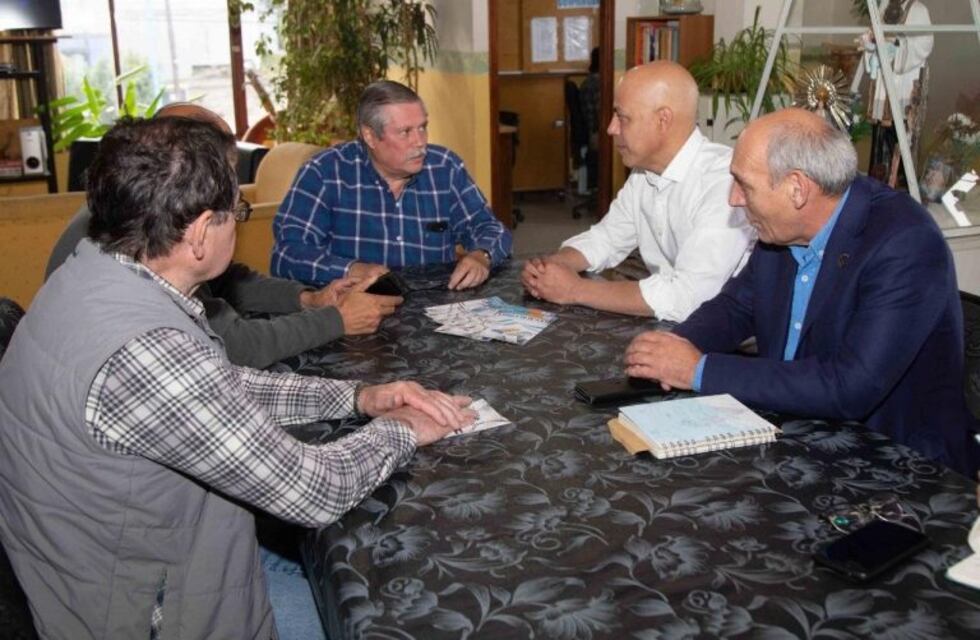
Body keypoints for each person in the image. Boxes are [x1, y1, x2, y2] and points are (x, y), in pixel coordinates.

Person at [0, 116, 476, 639]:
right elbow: (315, 490)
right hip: (156, 615)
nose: (239, 226)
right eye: (237, 214)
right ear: (202, 232)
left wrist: (361, 397)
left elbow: (215, 388)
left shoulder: (92, 276)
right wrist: (404, 427)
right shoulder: (144, 352)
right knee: (401, 606)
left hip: (118, 569)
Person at [624, 108, 980, 477]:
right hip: (797, 430)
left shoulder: (905, 242)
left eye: (743, 184)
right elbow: (736, 306)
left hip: (897, 464)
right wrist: (673, 348)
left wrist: (698, 370)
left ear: (797, 188)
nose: (733, 199)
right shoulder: (781, 228)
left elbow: (850, 386)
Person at [45, 102, 402, 369]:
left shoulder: (133, 208)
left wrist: (308, 299)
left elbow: (229, 283)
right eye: (228, 191)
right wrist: (336, 320)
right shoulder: (133, 252)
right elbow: (233, 347)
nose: (232, 205)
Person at [521, 61, 755, 321]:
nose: (611, 129)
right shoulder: (644, 173)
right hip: (673, 321)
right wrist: (557, 265)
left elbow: (689, 296)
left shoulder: (723, 183)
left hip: (726, 339)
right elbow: (608, 237)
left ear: (663, 120)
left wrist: (574, 289)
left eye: (622, 117)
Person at [271, 80, 512, 291]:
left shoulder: (445, 168)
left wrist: (482, 256)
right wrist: (352, 269)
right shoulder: (325, 173)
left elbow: (489, 227)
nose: (420, 142)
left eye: (422, 127)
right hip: (355, 312)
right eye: (405, 132)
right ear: (370, 136)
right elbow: (287, 255)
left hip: (432, 311)